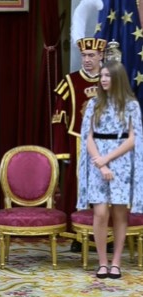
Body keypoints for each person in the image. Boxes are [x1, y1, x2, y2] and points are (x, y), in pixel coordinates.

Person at [77, 60, 143, 279]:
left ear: (118, 78)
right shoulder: (94, 103)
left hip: (122, 162)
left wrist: (108, 159)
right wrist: (101, 162)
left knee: (119, 213)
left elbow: (133, 139)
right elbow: (87, 136)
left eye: (108, 75)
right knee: (101, 212)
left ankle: (116, 262)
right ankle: (102, 262)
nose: (103, 79)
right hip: (98, 163)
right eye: (102, 76)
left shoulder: (131, 105)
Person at [51, 37, 107, 252]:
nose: (87, 60)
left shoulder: (110, 80)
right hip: (78, 141)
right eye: (84, 56)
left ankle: (106, 236)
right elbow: (59, 118)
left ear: (101, 56)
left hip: (109, 143)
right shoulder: (70, 81)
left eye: (91, 55)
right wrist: (61, 151)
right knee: (80, 187)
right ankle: (79, 235)